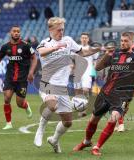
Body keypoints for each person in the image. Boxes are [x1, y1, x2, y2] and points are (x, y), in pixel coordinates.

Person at [73, 31, 134, 156]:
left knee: (113, 117)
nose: (123, 43)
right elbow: (97, 68)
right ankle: (86, 141)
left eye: (126, 41)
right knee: (94, 119)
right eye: (122, 40)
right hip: (106, 92)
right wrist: (106, 55)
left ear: (132, 42)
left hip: (123, 95)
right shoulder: (115, 54)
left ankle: (97, 146)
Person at [33, 17, 100, 153]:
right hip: (47, 83)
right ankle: (40, 129)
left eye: (63, 29)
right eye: (58, 30)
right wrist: (56, 47)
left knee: (68, 122)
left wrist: (98, 49)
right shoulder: (45, 43)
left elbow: (83, 52)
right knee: (52, 104)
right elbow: (41, 52)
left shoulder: (68, 41)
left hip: (62, 87)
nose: (61, 32)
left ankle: (54, 140)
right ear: (51, 29)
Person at [0, 25, 37, 130]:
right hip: (10, 77)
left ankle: (26, 106)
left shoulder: (26, 45)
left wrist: (31, 73)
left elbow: (35, 58)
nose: (16, 33)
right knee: (7, 98)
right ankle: (8, 123)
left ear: (20, 33)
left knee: (19, 103)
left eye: (18, 31)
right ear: (10, 33)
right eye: (14, 31)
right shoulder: (5, 46)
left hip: (22, 78)